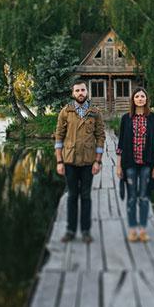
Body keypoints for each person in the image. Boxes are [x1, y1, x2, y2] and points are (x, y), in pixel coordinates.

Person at [55, 80, 105, 243]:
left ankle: (85, 231)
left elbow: (100, 137)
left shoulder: (95, 112)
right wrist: (59, 161)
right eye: (77, 91)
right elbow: (59, 137)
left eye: (83, 90)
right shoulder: (66, 112)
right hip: (69, 161)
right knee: (72, 196)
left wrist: (98, 161)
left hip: (88, 161)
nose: (80, 93)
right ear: (73, 93)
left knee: (85, 196)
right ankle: (70, 230)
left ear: (87, 92)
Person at [116, 86, 154, 242]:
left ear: (146, 99)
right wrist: (118, 165)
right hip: (130, 164)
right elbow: (120, 144)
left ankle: (143, 229)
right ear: (133, 100)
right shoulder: (126, 118)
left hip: (147, 164)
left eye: (143, 96)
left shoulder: (153, 118)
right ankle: (132, 229)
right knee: (131, 197)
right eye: (137, 96)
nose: (140, 98)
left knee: (144, 197)